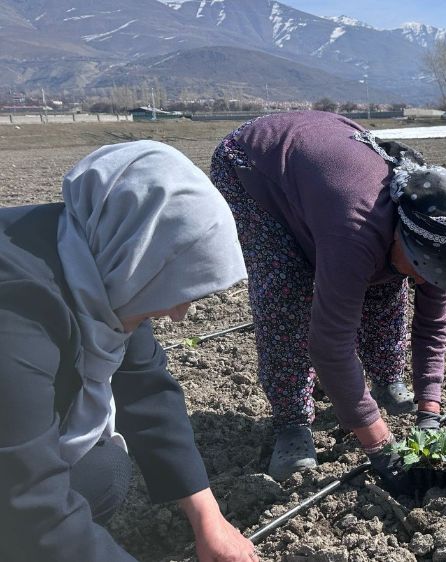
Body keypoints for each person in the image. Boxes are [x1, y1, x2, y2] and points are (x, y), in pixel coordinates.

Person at [0, 141, 258, 561]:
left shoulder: (103, 263)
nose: (179, 313)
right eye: (173, 287)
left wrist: (210, 520)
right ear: (141, 260)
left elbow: (147, 389)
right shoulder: (15, 309)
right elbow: (26, 502)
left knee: (102, 472)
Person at [210, 111, 446, 482]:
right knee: (286, 294)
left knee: (387, 279)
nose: (426, 281)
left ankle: (387, 378)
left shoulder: (441, 237)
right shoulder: (356, 230)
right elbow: (330, 346)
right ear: (401, 234)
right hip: (254, 165)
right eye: (422, 268)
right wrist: (379, 444)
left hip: (327, 169)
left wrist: (430, 413)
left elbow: (432, 327)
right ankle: (292, 421)